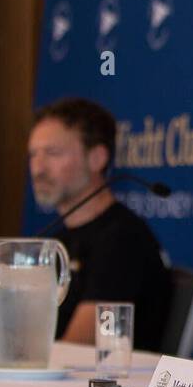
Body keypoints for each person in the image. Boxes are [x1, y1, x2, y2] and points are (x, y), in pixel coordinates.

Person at [28, 97, 170, 351]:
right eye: (33, 155)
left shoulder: (123, 239)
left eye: (52, 153)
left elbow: (77, 350)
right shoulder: (59, 239)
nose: (38, 169)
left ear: (97, 158)